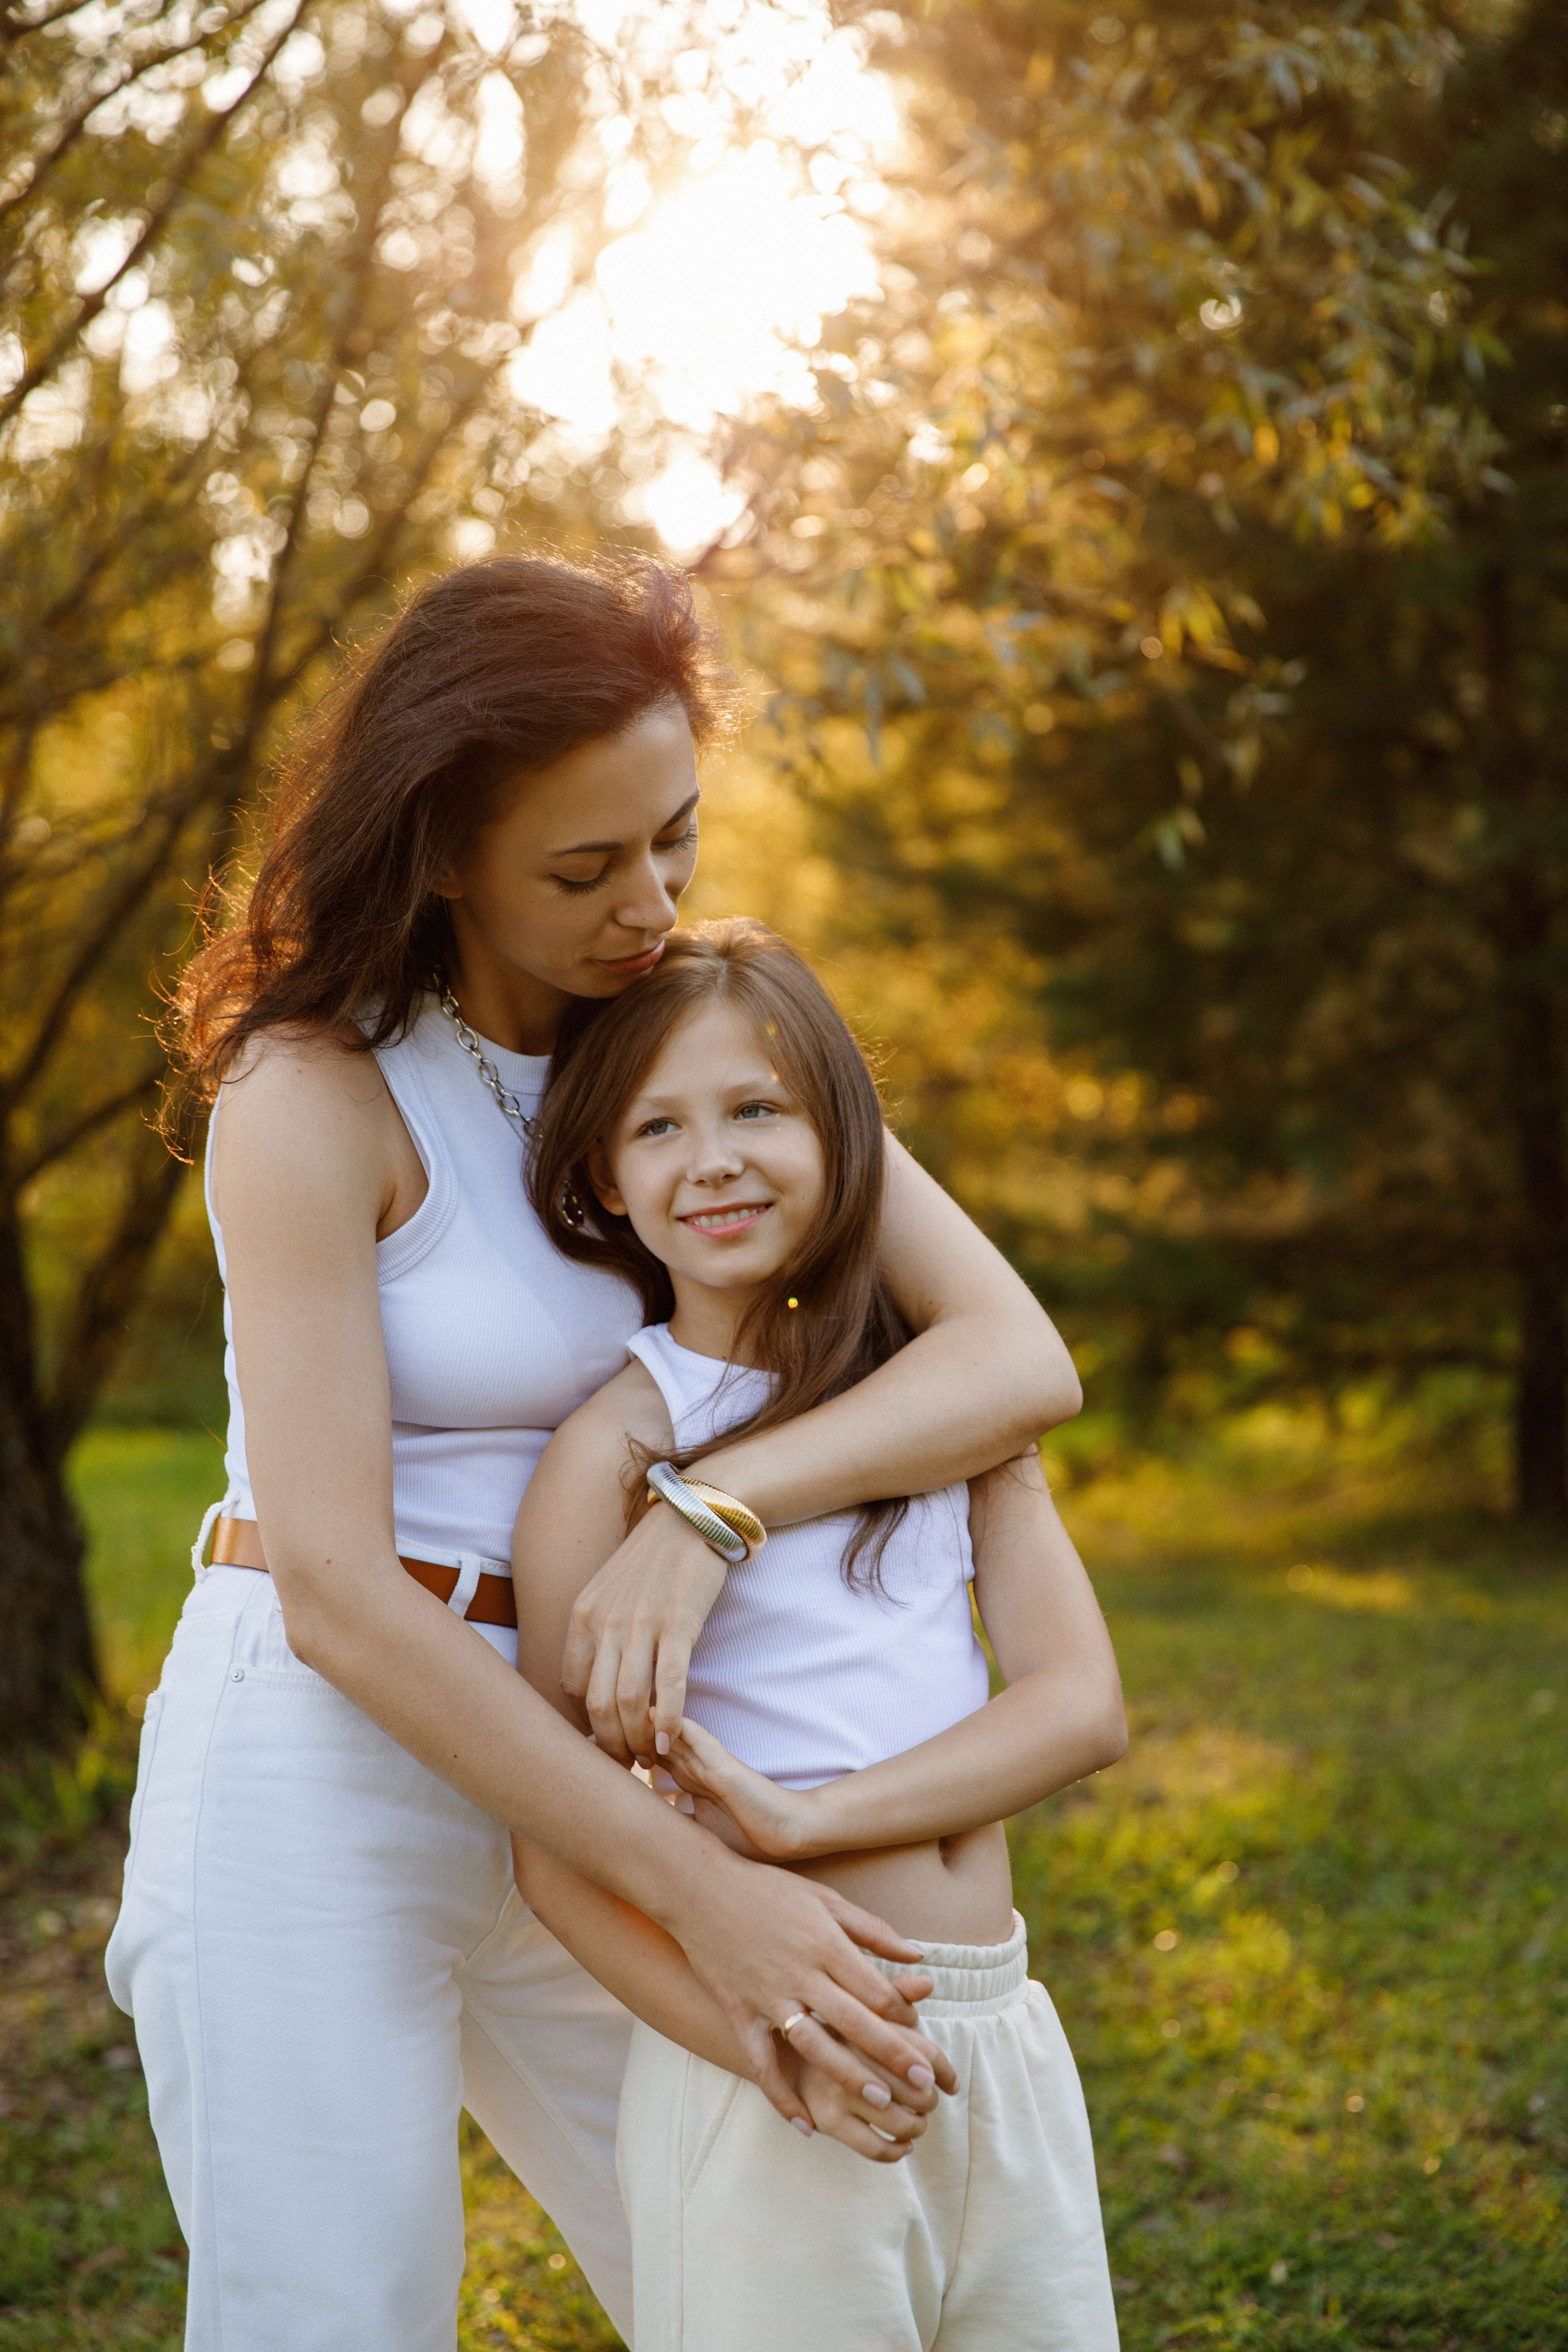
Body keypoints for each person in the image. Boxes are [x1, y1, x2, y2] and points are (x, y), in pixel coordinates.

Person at [104, 554, 1085, 2352]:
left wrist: (715, 1512)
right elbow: (328, 1585)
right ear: (444, 849)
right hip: (327, 1766)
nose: (647, 902)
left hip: (612, 1736)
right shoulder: (316, 1093)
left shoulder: (682, 1052)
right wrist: (706, 1896)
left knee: (753, 2274)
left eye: (675, 840)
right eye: (584, 867)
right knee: (340, 2313)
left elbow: (1016, 1357)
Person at [510, 918, 1126, 2352]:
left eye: (756, 1110)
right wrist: (768, 2052)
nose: (710, 1158)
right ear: (606, 1178)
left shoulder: (941, 1407)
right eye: (656, 1126)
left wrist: (813, 1820)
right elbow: (558, 1858)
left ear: (845, 1142)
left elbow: (1079, 1707)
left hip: (1002, 2032)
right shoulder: (605, 1461)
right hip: (777, 2058)